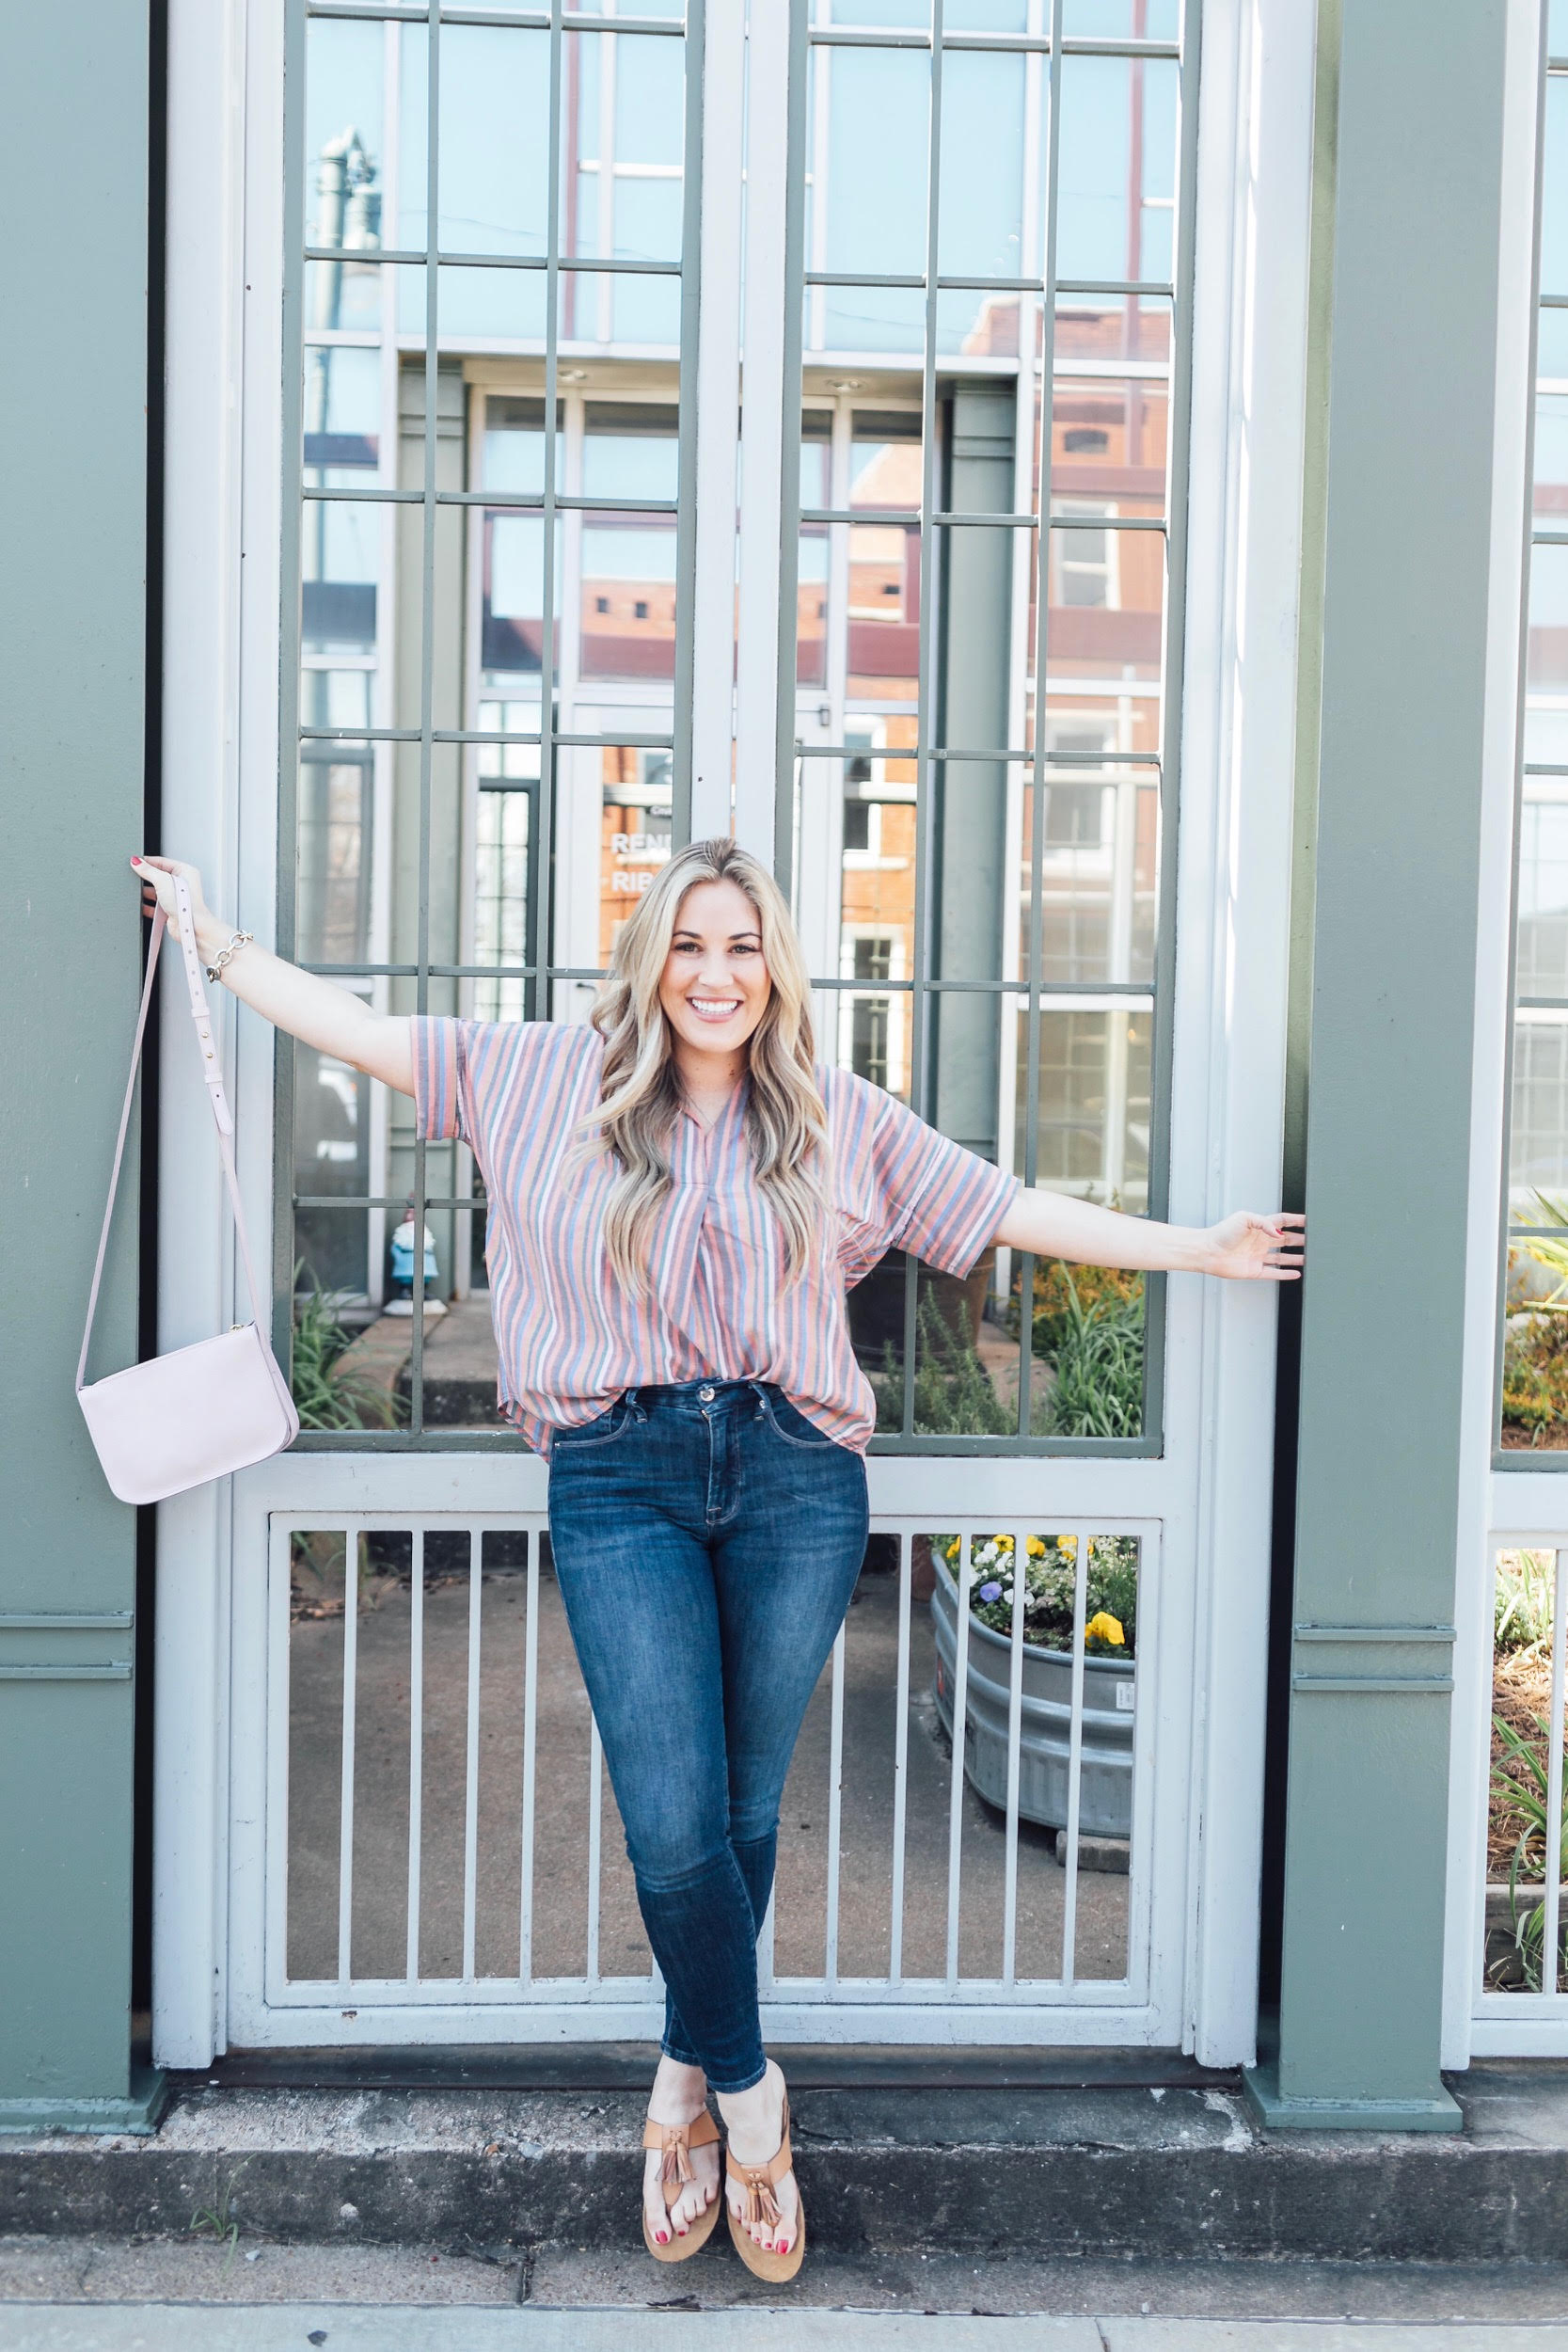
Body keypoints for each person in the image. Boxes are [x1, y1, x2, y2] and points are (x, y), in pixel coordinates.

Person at [131, 838, 1304, 2283]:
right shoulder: (544, 1076)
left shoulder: (830, 1116)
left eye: (743, 947)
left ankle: (682, 2082)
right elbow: (364, 1033)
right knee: (674, 1811)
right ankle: (755, 2101)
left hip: (797, 1480)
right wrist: (217, 944)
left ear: (776, 967)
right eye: (690, 944)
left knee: (746, 1815)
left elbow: (996, 1209)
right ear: (650, 959)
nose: (716, 975)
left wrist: (1205, 1247)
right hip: (616, 1472)